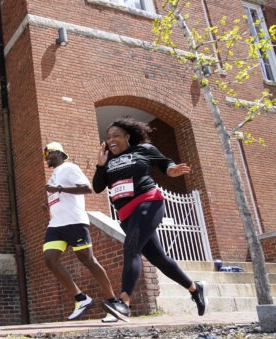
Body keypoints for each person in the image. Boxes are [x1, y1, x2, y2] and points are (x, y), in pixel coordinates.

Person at [92, 117, 208, 322]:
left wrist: (172, 170)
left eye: (116, 136)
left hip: (148, 201)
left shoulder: (144, 149)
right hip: (126, 214)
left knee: (131, 247)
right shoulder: (108, 160)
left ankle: (123, 303)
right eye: (108, 137)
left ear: (128, 136)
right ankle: (194, 288)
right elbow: (98, 187)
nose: (111, 140)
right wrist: (100, 166)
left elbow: (165, 164)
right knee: (158, 258)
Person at [42, 142, 121, 321]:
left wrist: (59, 189)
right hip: (56, 225)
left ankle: (113, 302)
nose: (46, 158)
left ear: (59, 153)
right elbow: (60, 196)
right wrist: (48, 203)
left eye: (48, 154)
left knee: (88, 260)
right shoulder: (54, 175)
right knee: (50, 259)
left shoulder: (69, 167)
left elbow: (87, 189)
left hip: (75, 222)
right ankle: (81, 298)